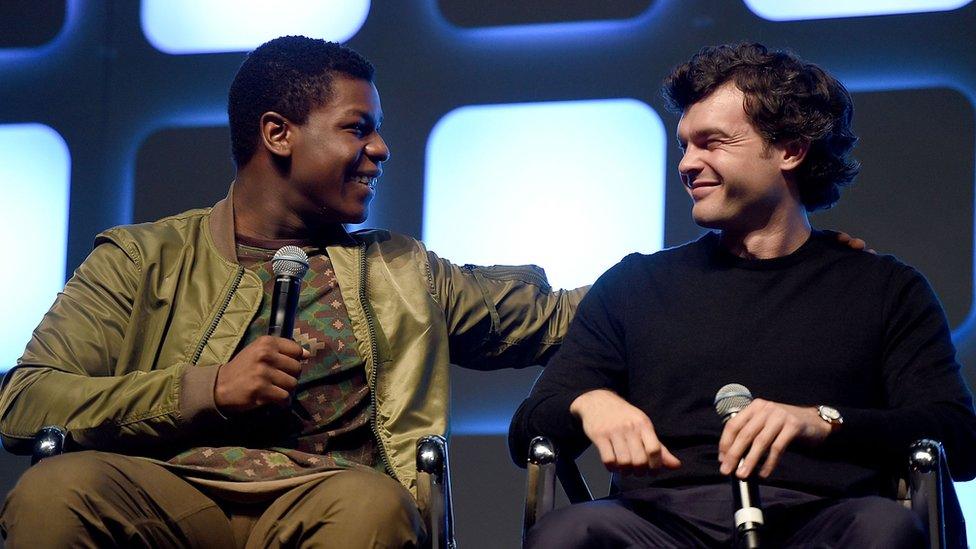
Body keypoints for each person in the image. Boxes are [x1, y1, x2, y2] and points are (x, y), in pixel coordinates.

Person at [0, 36, 584, 547]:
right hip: (172, 492)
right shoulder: (142, 258)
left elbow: (555, 316)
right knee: (56, 490)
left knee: (371, 505)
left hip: (326, 499)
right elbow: (26, 401)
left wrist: (668, 272)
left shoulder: (401, 272)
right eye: (358, 128)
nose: (380, 148)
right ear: (278, 133)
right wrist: (211, 388)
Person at [509, 42, 976, 548]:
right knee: (568, 531)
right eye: (685, 145)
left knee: (884, 528)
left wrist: (823, 422)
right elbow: (528, 431)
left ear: (790, 150)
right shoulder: (636, 285)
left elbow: (957, 437)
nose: (688, 163)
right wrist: (589, 401)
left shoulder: (884, 288)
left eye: (712, 143)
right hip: (660, 524)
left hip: (823, 518)